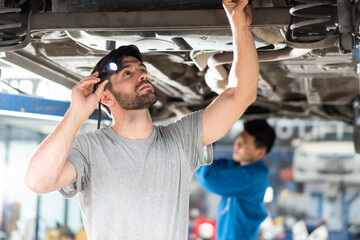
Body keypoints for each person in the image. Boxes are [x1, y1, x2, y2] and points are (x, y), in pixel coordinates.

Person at [24, 0, 259, 239]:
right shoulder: (89, 149)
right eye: (128, 73)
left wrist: (240, 25)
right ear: (105, 96)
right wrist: (76, 113)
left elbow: (240, 95)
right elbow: (38, 181)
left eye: (142, 69)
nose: (143, 75)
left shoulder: (179, 140)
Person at [195, 120, 276, 240]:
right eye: (238, 139)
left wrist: (212, 134)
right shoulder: (237, 167)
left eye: (243, 143)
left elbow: (208, 178)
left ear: (260, 152)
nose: (236, 145)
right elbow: (204, 167)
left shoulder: (254, 176)